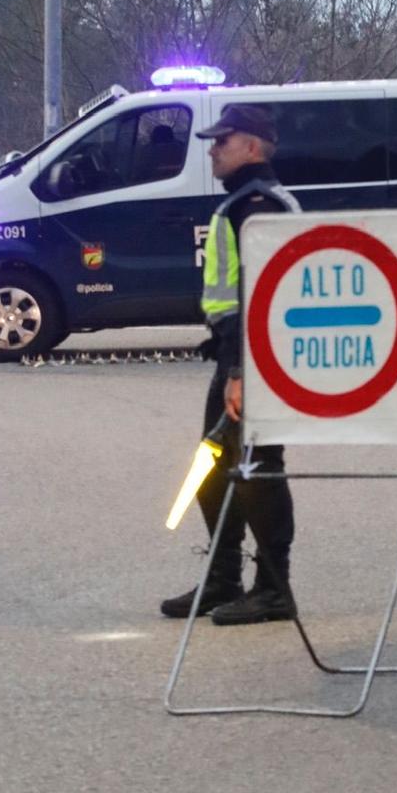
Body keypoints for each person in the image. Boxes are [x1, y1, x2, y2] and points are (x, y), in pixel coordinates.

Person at [160, 103, 301, 626]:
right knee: (214, 471)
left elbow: (258, 294)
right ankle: (223, 579)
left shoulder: (259, 206)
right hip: (238, 355)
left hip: (254, 360)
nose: (213, 149)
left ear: (252, 146)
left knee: (259, 471)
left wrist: (241, 370)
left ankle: (274, 588)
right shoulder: (246, 202)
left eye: (223, 141)